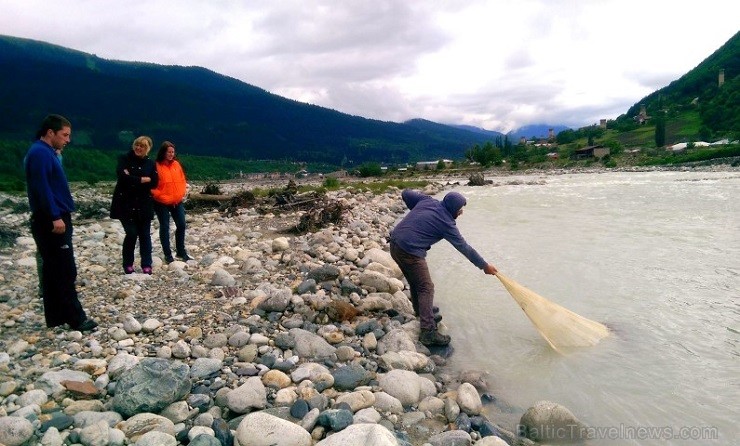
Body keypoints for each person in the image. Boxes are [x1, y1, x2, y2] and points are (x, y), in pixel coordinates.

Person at [389, 189, 498, 346]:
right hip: (410, 251)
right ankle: (428, 332)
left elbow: (406, 193)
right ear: (453, 209)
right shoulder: (446, 223)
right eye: (459, 209)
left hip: (395, 243)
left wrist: (418, 216)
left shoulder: (427, 201)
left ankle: (421, 312)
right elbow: (464, 247)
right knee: (426, 287)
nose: (461, 213)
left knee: (415, 282)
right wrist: (484, 266)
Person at [24, 114, 98, 331]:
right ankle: (76, 318)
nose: (67, 140)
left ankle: (55, 317)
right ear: (50, 133)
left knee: (51, 269)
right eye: (64, 135)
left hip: (49, 216)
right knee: (65, 269)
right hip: (51, 218)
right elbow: (42, 187)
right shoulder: (40, 153)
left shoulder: (45, 152)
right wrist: (55, 215)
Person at [110, 136, 159, 274]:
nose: (138, 148)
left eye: (142, 146)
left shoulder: (150, 163)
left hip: (143, 204)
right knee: (131, 233)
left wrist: (133, 178)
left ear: (147, 149)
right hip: (125, 204)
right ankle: (127, 263)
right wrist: (142, 179)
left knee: (145, 235)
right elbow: (122, 176)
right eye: (137, 145)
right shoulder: (124, 159)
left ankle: (146, 264)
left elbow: (155, 182)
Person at [151, 140, 191, 263]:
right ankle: (168, 255)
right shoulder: (156, 166)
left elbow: (182, 179)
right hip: (161, 201)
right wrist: (158, 195)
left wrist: (182, 191)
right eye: (169, 152)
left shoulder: (176, 165)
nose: (171, 154)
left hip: (176, 200)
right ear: (163, 152)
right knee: (165, 226)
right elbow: (151, 184)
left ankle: (181, 251)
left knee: (182, 225)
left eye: (173, 152)